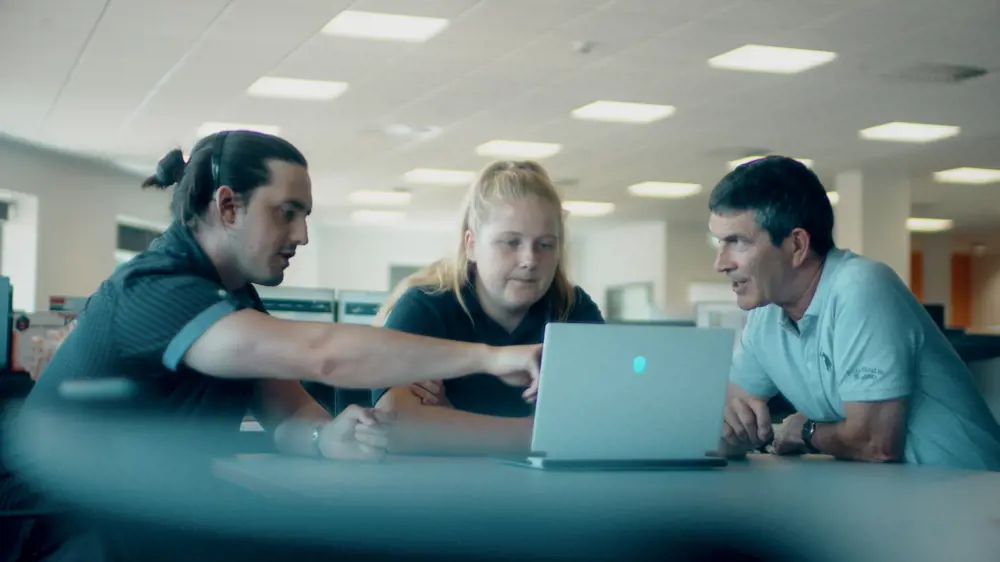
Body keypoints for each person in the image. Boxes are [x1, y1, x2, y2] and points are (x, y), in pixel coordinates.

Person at [1, 131, 543, 561]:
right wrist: (491, 358)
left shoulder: (235, 297)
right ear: (228, 206)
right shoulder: (154, 288)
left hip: (136, 514)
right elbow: (321, 354)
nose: (303, 235)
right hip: (58, 530)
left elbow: (287, 414)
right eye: (288, 211)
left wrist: (326, 435)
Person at [709, 155, 1000, 470]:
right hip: (889, 494)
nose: (721, 263)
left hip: (970, 496)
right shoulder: (767, 317)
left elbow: (876, 444)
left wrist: (803, 431)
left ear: (796, 245)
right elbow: (724, 417)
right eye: (720, 243)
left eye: (737, 243)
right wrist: (729, 434)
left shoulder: (861, 287)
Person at [370, 161, 604, 456]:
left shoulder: (573, 309)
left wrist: (448, 421)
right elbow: (396, 424)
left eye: (545, 245)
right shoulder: (427, 307)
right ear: (471, 244)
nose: (530, 259)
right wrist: (540, 436)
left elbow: (604, 420)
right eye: (511, 242)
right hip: (442, 491)